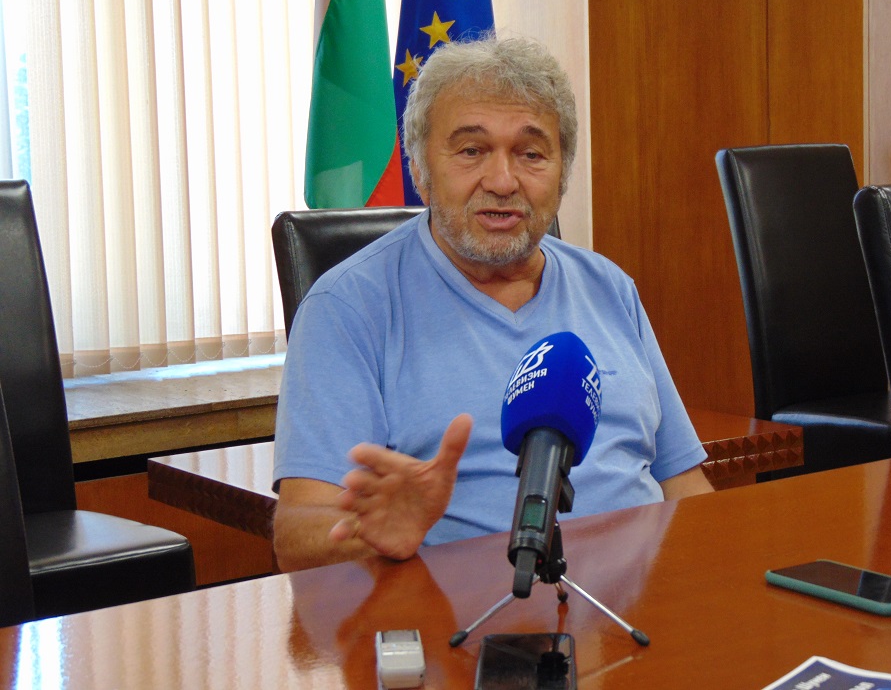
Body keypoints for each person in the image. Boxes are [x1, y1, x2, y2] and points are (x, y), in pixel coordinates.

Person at [272, 34, 713, 573]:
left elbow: (683, 484)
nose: (503, 182)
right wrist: (374, 535)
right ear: (420, 170)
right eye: (471, 151)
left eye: (531, 154)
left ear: (562, 174)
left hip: (643, 609)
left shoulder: (609, 286)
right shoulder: (348, 307)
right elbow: (298, 536)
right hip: (466, 616)